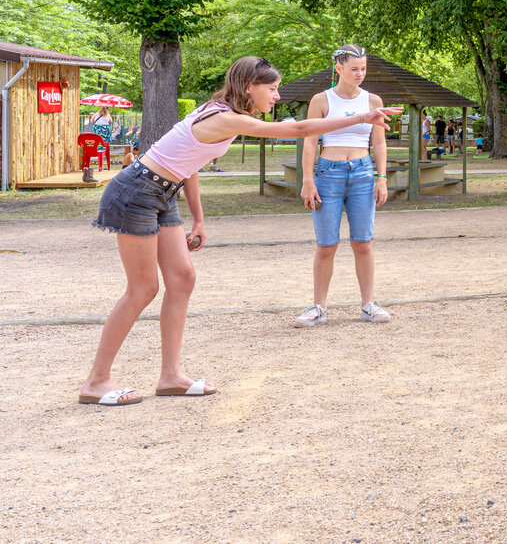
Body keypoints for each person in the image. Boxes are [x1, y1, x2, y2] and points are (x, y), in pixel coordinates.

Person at [79, 56, 399, 405]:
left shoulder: (219, 112)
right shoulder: (225, 117)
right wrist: (362, 116)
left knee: (182, 279)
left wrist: (198, 217)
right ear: (249, 87)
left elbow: (190, 162)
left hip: (162, 193)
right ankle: (96, 382)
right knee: (143, 288)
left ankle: (171, 376)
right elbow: (298, 130)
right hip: (135, 192)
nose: (276, 96)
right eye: (272, 89)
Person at [294, 45, 395, 328]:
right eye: (354, 69)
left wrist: (382, 177)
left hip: (363, 173)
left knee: (363, 242)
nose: (360, 73)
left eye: (363, 68)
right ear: (338, 69)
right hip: (329, 174)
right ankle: (318, 307)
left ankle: (368, 305)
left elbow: (379, 141)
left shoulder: (373, 100)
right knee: (326, 244)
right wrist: (307, 180)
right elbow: (310, 141)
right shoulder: (321, 100)